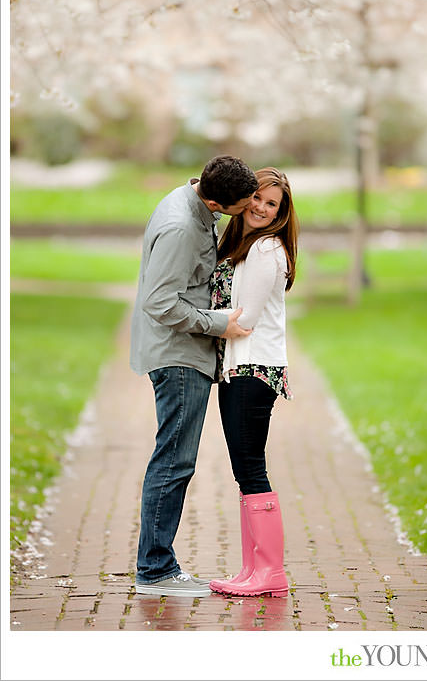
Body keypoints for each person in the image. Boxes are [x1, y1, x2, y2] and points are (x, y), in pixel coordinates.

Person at [131, 155, 258, 597]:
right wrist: (218, 323)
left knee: (174, 460)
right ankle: (155, 570)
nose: (250, 207)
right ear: (222, 202)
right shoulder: (182, 227)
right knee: (174, 462)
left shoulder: (193, 204)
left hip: (185, 354)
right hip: (179, 357)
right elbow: (160, 302)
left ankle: (155, 565)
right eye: (246, 203)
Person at [208, 167, 298, 598]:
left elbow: (245, 319)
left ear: (281, 213)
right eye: (258, 198)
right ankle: (252, 569)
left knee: (251, 468)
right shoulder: (241, 244)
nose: (262, 208)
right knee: (244, 470)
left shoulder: (266, 249)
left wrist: (198, 323)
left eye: (272, 204)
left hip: (253, 371)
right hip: (238, 370)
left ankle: (270, 573)